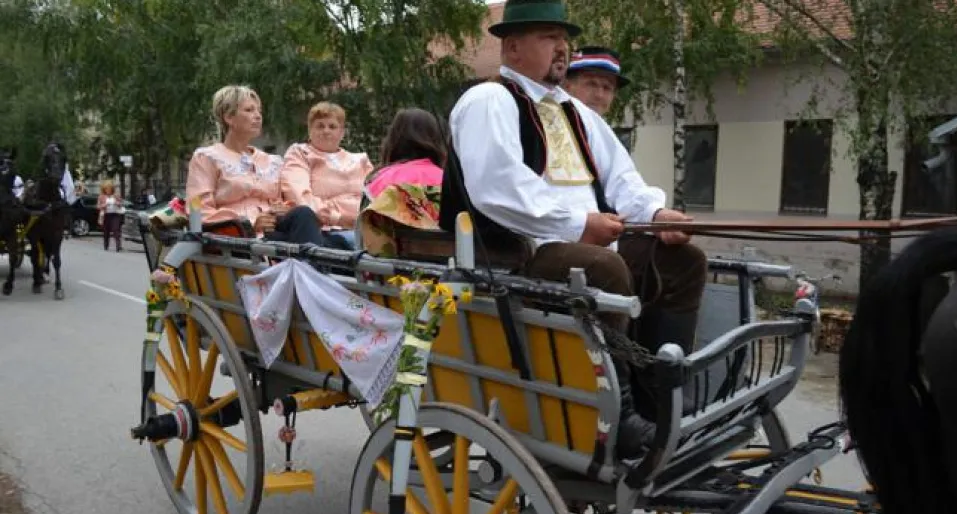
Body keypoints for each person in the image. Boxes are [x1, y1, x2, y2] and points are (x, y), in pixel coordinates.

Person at [439, 0, 707, 460]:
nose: (561, 48)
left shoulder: (575, 113)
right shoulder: (488, 100)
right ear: (513, 46)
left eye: (564, 40)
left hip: (584, 247)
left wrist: (655, 214)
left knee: (684, 262)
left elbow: (623, 179)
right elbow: (496, 186)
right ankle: (616, 418)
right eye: (549, 37)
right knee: (606, 268)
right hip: (517, 256)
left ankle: (659, 400)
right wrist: (578, 224)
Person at [186, 85, 330, 247]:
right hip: (239, 238)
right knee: (310, 244)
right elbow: (198, 211)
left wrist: (283, 209)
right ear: (229, 118)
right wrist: (249, 222)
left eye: (259, 111)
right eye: (249, 110)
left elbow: (284, 200)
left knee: (306, 216)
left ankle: (314, 269)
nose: (258, 116)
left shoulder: (272, 161)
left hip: (276, 230)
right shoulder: (207, 157)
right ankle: (314, 269)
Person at [280, 102, 374, 250]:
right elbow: (300, 197)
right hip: (325, 232)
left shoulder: (360, 160)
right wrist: (338, 218)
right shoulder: (300, 154)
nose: (326, 131)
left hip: (365, 231)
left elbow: (374, 197)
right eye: (320, 126)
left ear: (342, 132)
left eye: (332, 126)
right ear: (310, 130)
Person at [359, 108, 448, 256]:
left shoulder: (377, 180)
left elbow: (363, 239)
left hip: (391, 273)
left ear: (393, 140)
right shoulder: (450, 181)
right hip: (445, 271)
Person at [564, 46, 630, 117]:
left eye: (607, 88)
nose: (599, 95)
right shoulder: (553, 124)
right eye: (591, 84)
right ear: (567, 87)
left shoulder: (603, 128)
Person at [97, 179, 124, 251]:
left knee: (116, 230)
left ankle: (118, 246)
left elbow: (121, 204)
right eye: (106, 189)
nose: (108, 190)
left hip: (115, 215)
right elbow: (98, 206)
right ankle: (106, 245)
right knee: (106, 231)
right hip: (105, 215)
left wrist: (117, 203)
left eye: (109, 188)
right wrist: (104, 205)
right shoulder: (101, 196)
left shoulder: (116, 195)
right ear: (104, 189)